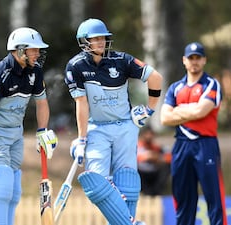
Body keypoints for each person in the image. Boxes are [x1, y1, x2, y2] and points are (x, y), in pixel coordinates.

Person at [64, 18, 163, 225]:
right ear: (84, 41)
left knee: (127, 182)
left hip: (125, 126)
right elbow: (81, 103)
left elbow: (156, 78)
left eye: (103, 38)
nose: (101, 42)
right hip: (97, 128)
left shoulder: (122, 60)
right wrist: (81, 139)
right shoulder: (76, 66)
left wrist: (149, 109)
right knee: (95, 183)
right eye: (95, 38)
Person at [0, 27, 58, 225]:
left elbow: (42, 103)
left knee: (14, 189)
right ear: (19, 51)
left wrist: (42, 130)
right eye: (33, 50)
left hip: (16, 134)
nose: (38, 54)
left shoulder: (35, 72)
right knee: (1, 185)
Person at [160, 42, 227, 225]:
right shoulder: (175, 88)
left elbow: (201, 111)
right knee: (183, 199)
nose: (194, 62)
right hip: (181, 145)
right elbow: (164, 118)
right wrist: (191, 109)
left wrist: (178, 110)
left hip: (205, 144)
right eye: (191, 58)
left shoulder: (211, 84)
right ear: (184, 61)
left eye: (198, 58)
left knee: (214, 198)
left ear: (204, 60)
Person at [137, 126, 171, 196]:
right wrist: (146, 157)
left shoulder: (157, 148)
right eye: (147, 134)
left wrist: (157, 158)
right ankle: (144, 193)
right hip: (142, 174)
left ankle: (156, 193)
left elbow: (169, 157)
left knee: (168, 166)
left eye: (151, 134)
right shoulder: (137, 147)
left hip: (154, 173)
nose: (149, 136)